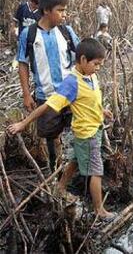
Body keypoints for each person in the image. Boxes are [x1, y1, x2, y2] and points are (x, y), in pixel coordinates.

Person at [8, 38, 116, 220]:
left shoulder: (90, 76)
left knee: (75, 160)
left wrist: (102, 110)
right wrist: (23, 123)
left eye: (101, 64)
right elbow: (48, 106)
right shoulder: (71, 83)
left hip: (94, 129)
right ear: (82, 60)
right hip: (86, 134)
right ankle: (99, 210)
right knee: (96, 171)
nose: (99, 68)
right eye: (96, 64)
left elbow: (89, 100)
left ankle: (59, 188)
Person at [17, 0, 80, 173]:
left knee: (81, 131)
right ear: (46, 10)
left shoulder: (66, 31)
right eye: (60, 10)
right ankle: (55, 170)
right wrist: (27, 94)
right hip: (46, 97)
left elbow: (81, 57)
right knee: (51, 137)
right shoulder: (28, 35)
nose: (64, 15)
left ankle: (78, 171)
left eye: (64, 10)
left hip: (71, 95)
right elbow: (23, 64)